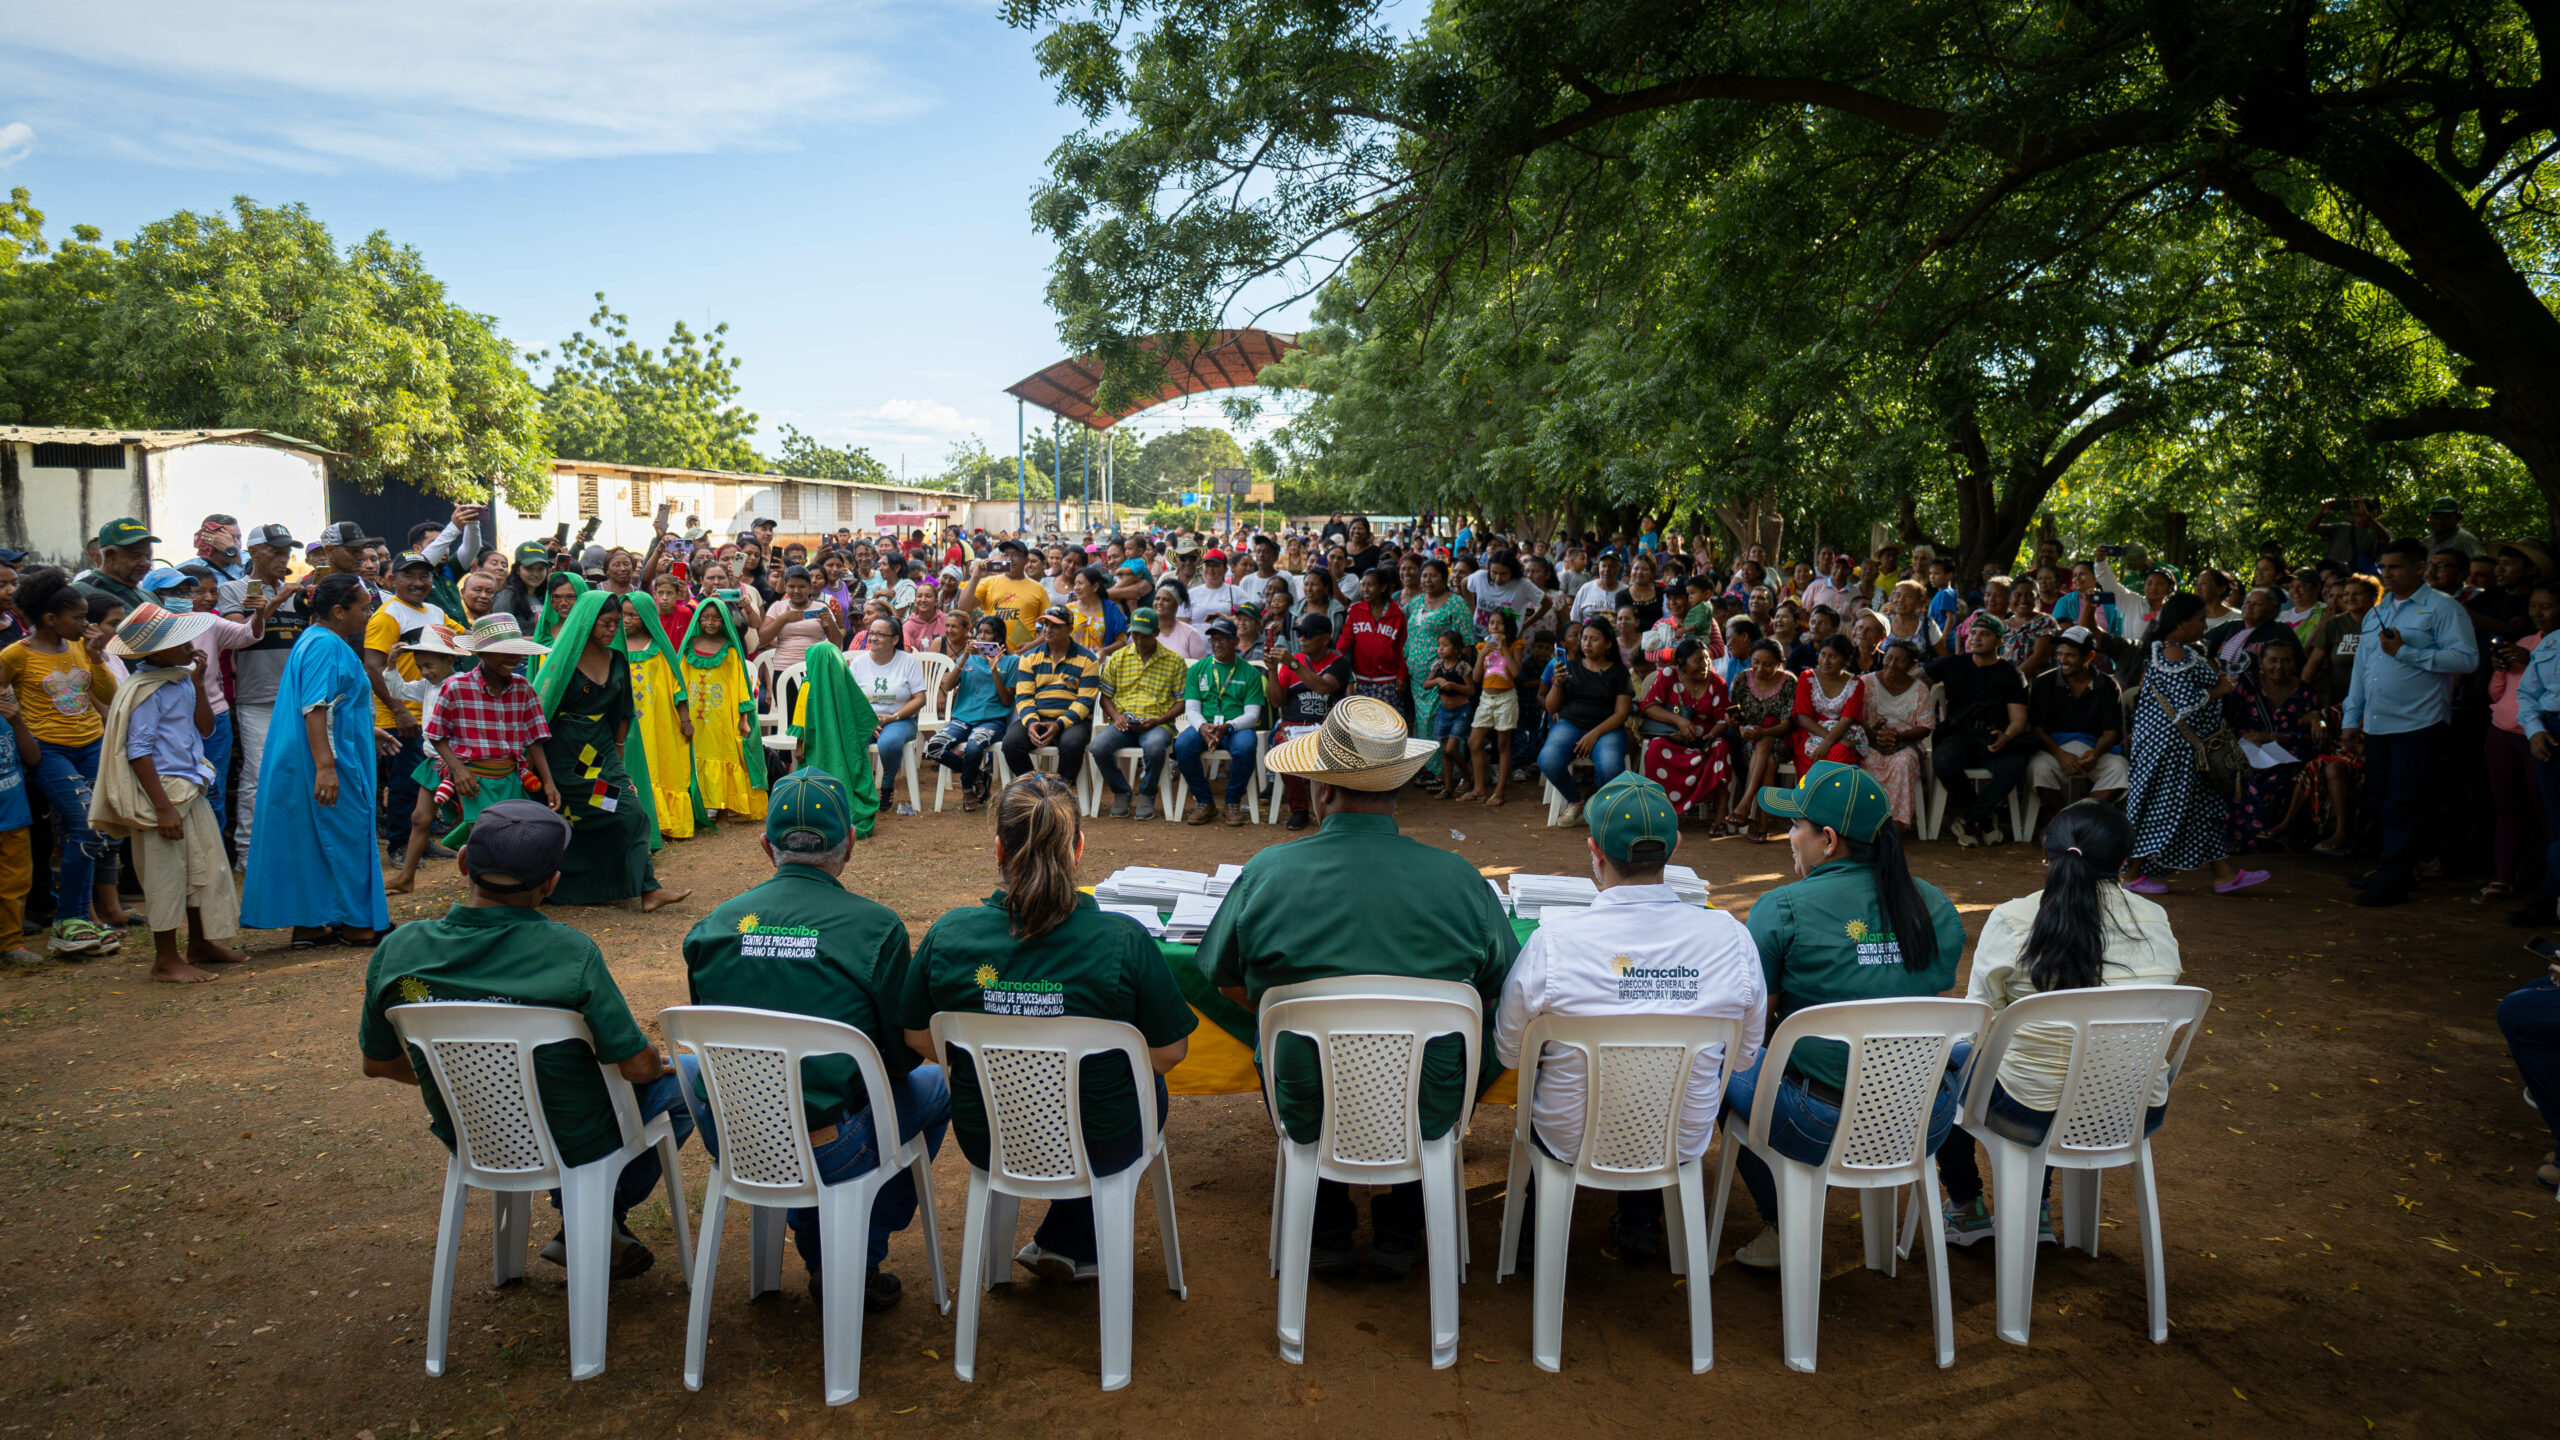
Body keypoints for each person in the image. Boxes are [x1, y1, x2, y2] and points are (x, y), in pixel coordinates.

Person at [1203, 698, 1516, 1275]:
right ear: (1397, 788)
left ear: (1323, 790)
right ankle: (1402, 1226)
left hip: (1308, 1099)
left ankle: (1326, 1226)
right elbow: (1498, 990)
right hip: (1427, 1104)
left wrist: (1293, 1011)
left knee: (1291, 1051)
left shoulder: (1268, 872)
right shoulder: (1460, 879)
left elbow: (1225, 982)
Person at [360, 800, 694, 1279]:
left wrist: (468, 1080)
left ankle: (591, 1223)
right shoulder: (568, 952)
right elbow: (638, 1067)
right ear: (551, 884)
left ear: (462, 863)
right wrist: (653, 1059)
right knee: (687, 1081)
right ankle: (593, 1216)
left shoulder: (399, 949)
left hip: (474, 1134)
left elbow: (378, 1063)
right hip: (573, 1139)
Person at [899, 772, 1195, 1281]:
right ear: (1077, 849)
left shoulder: (948, 935)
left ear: (998, 849)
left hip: (989, 1136)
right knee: (1134, 1086)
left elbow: (917, 1037)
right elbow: (1169, 1053)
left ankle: (1068, 1238)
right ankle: (1074, 1238)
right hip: (1103, 1142)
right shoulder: (1123, 940)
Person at [679, 769, 949, 1310]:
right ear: (849, 843)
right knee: (936, 1088)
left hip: (738, 1136)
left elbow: (715, 1035)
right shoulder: (876, 928)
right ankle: (856, 1255)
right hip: (832, 1147)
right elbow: (899, 1062)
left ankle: (820, 1237)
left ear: (766, 846)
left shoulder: (711, 927)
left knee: (687, 1068)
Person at [1495, 770, 1767, 1257]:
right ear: (1675, 846)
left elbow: (1511, 1052)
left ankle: (1539, 1234)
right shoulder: (1731, 938)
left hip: (1569, 1136)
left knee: (1549, 1079)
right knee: (1658, 1088)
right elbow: (1743, 1058)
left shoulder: (1554, 941)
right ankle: (1642, 1223)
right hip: (1679, 1137)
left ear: (1595, 851)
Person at [1724, 761, 1963, 1270]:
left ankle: (1785, 1224)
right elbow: (1929, 1003)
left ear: (1828, 840)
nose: (1790, 838)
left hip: (1819, 1121)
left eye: (1796, 826)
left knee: (1721, 1066)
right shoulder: (1935, 904)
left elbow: (1753, 1029)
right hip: (1923, 1116)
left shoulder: (1781, 907)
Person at [1937, 802, 2183, 1245]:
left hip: (2029, 1114)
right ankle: (2036, 1210)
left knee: (1945, 1064)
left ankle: (1965, 1205)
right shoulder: (2155, 919)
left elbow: (1978, 1021)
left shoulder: (2013, 919)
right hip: (2131, 1110)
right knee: (2053, 1070)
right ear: (2124, 862)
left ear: (2046, 855)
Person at [90, 603, 247, 983]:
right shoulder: (146, 690)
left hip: (189, 786)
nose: (192, 646)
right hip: (161, 794)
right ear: (157, 653)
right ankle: (164, 959)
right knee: (166, 875)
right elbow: (138, 751)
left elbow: (205, 729)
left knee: (201, 869)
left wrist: (198, 683)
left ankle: (200, 944)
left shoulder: (180, 679)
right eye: (182, 642)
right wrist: (162, 808)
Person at [240, 573, 392, 948]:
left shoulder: (315, 639)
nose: (369, 614)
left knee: (309, 838)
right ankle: (358, 925)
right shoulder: (326, 645)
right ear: (338, 611)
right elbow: (315, 707)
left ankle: (309, 924)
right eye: (364, 608)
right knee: (347, 832)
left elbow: (333, 702)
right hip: (328, 759)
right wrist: (326, 767)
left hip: (315, 752)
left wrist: (366, 728)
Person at [2338, 537, 2477, 906]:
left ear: (2420, 568)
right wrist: (2351, 718)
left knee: (2405, 801)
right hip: (2377, 723)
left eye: (2396, 566)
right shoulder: (2377, 612)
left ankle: (2393, 879)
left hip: (2420, 722)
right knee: (2384, 800)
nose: (2388, 574)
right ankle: (2395, 868)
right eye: (2383, 567)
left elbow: (2466, 659)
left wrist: (2407, 653)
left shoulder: (2443, 609)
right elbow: (2362, 669)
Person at [530, 590, 690, 911]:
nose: (613, 629)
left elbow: (624, 709)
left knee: (630, 811)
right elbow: (539, 713)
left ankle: (647, 888)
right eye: (606, 623)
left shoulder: (617, 659)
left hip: (600, 753)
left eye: (616, 623)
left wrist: (618, 748)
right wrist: (542, 773)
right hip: (563, 757)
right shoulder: (564, 660)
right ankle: (568, 887)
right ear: (588, 622)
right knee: (575, 820)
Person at [0, 569, 124, 955]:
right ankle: (68, 919)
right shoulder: (15, 655)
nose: (86, 624)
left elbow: (109, 694)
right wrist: (17, 724)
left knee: (93, 828)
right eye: (79, 617)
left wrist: (96, 657)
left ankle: (79, 920)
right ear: (51, 619)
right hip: (49, 752)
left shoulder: (80, 649)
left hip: (91, 745)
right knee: (85, 824)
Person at [2121, 594, 2269, 896]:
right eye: (2200, 619)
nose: (2204, 625)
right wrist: (2219, 690)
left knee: (2201, 808)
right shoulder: (2173, 653)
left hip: (2180, 750)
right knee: (2160, 808)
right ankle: (2130, 873)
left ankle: (2225, 874)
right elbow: (2185, 703)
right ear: (2180, 623)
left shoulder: (2174, 651)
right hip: (2171, 752)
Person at [1925, 616, 2032, 846]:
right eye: (1973, 633)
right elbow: (1915, 679)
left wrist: (2007, 737)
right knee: (1943, 761)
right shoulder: (1953, 663)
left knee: (2014, 766)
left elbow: (2018, 719)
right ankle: (1983, 820)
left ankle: (1966, 819)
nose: (1976, 638)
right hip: (1958, 735)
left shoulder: (2010, 674)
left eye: (1985, 634)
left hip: (1994, 737)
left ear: (1999, 642)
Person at [2485, 584, 2558, 907]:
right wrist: (2500, 668)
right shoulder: (2527, 642)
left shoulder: (2543, 648)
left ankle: (2545, 884)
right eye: (2533, 606)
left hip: (2540, 732)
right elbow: (2501, 693)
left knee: (2548, 810)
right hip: (2507, 730)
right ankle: (2504, 877)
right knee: (2507, 806)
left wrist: (2531, 661)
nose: (2538, 613)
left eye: (2547, 607)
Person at [1535, 616, 1635, 826]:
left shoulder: (1619, 673)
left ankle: (1599, 804)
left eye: (1594, 639)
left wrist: (1593, 734)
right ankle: (1575, 801)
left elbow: (1621, 714)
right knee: (1548, 760)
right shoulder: (1568, 667)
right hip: (1571, 724)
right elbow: (1552, 708)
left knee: (1610, 767)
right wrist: (1557, 684)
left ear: (1608, 643)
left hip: (1607, 729)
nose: (1587, 644)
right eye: (1584, 638)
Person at [2225, 632, 2319, 853]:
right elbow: (2227, 721)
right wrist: (2245, 737)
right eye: (2273, 660)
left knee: (2273, 778)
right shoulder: (2246, 685)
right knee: (2236, 774)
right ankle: (2234, 839)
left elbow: (2311, 732)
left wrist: (2275, 737)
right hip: (2248, 748)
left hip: (2289, 752)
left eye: (2286, 661)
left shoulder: (2304, 691)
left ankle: (2260, 839)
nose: (2279, 666)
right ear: (2261, 663)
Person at [678, 594, 768, 824]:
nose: (710, 622)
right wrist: (683, 717)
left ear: (724, 621)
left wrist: (744, 718)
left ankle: (722, 812)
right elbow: (680, 685)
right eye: (705, 617)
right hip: (694, 719)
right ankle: (698, 809)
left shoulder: (730, 652)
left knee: (724, 756)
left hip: (723, 719)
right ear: (698, 620)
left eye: (716, 618)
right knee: (696, 757)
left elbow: (740, 687)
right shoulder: (688, 650)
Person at [1090, 607, 1187, 819]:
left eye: (1145, 635)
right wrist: (1116, 717)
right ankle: (1121, 791)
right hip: (1124, 723)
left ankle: (1147, 793)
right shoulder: (1119, 658)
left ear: (1156, 633)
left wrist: (1159, 720)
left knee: (1155, 746)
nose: (1139, 640)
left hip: (1157, 723)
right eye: (1135, 634)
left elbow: (1182, 702)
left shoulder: (1174, 661)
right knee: (1098, 747)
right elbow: (1105, 696)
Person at [2024, 626, 2127, 821]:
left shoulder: (2107, 686)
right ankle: (2063, 820)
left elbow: (2111, 733)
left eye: (2070, 655)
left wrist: (2095, 754)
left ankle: (2076, 819)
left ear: (2089, 656)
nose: (2062, 660)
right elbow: (2038, 729)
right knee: (2038, 768)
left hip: (2094, 751)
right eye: (2060, 654)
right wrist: (2059, 754)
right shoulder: (2043, 683)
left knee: (2120, 769)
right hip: (2053, 751)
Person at [617, 593, 698, 840]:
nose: (626, 620)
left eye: (633, 615)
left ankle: (663, 822)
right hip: (624, 723)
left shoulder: (659, 649)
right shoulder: (613, 647)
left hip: (657, 721)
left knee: (657, 763)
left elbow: (677, 687)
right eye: (623, 614)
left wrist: (685, 719)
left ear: (647, 617)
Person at [1000, 606, 1102, 795]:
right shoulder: (1029, 657)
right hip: (1037, 717)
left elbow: (1085, 701)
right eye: (1046, 624)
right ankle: (1037, 787)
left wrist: (1060, 724)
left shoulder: (1087, 659)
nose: (1048, 630)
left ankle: (1059, 793)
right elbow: (1023, 697)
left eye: (1055, 626)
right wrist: (1031, 722)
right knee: (1011, 744)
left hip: (1072, 721)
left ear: (1069, 628)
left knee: (1072, 745)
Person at [1270, 612, 1354, 827]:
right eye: (1299, 634)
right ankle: (1299, 809)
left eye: (1307, 635)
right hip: (1293, 725)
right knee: (1282, 747)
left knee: (1334, 746)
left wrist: (1293, 664)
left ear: (1325, 638)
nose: (1301, 639)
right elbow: (1277, 701)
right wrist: (1271, 671)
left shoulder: (1339, 662)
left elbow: (1323, 687)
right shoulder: (1293, 661)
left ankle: (1330, 807)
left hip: (1327, 726)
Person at [1635, 636, 1734, 817]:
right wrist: (1678, 720)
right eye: (1698, 660)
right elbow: (1649, 706)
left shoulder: (1717, 683)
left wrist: (1711, 735)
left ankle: (1721, 815)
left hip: (1705, 743)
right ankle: (1658, 810)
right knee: (1655, 747)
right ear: (1681, 662)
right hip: (1673, 740)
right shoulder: (1669, 675)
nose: (1705, 664)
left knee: (1721, 747)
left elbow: (1723, 719)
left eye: (1707, 658)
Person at [930, 616, 1016, 812]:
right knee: (934, 747)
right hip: (963, 717)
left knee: (974, 748)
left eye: (988, 633)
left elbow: (1006, 701)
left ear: (999, 637)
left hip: (992, 719)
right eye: (980, 632)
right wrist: (963, 659)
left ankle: (967, 787)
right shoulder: (968, 657)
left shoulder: (1011, 661)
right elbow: (948, 686)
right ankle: (977, 775)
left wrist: (994, 671)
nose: (982, 637)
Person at [848, 618, 929, 818]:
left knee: (889, 742)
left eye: (880, 634)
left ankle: (887, 785)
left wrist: (893, 718)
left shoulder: (907, 661)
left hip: (901, 719)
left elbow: (920, 699)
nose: (873, 638)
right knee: (851, 741)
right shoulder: (859, 663)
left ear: (894, 639)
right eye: (871, 633)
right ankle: (860, 789)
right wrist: (867, 720)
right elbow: (850, 698)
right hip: (866, 719)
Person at [1858, 638, 1934, 832]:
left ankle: (1894, 826)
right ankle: (1863, 823)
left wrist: (1898, 736)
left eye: (1899, 660)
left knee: (1902, 763)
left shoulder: (1920, 689)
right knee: (1865, 760)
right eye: (1888, 658)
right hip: (1868, 741)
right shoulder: (1866, 683)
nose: (1891, 664)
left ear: (1912, 664)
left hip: (1905, 744)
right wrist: (1873, 735)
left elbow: (1925, 726)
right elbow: (1853, 716)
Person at [1727, 639, 1797, 839]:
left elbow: (1787, 724)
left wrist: (1763, 732)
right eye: (1756, 662)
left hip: (1781, 740)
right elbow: (1734, 711)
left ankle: (1746, 803)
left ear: (1780, 663)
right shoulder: (1742, 678)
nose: (1759, 669)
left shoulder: (1789, 682)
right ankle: (1761, 822)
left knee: (1766, 741)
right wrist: (1737, 724)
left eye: (1767, 664)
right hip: (1748, 740)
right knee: (1767, 759)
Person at [1459, 609, 1524, 809]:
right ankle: (1478, 789)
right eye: (1491, 623)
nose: (1495, 627)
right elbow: (1476, 678)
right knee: (1474, 742)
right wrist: (1482, 655)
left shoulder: (1515, 645)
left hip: (1506, 698)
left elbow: (1515, 672)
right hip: (1486, 699)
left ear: (1508, 627)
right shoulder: (1482, 646)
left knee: (1503, 744)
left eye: (1500, 623)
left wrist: (1504, 648)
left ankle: (1499, 791)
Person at [1790, 633, 1867, 776]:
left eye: (1832, 656)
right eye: (1823, 655)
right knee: (1819, 756)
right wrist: (1828, 742)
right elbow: (1802, 718)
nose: (1825, 661)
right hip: (1811, 733)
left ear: (1847, 660)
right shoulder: (1807, 677)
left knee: (1841, 751)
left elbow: (1846, 720)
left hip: (1842, 733)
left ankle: (1838, 791)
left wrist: (1829, 743)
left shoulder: (1856, 684)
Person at [972, 540, 1049, 650]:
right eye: (1006, 554)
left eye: (1015, 555)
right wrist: (976, 576)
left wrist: (1032, 645)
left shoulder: (1038, 589)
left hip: (1022, 654)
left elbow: (1049, 627)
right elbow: (964, 605)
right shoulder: (989, 582)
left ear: (1026, 560)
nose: (1009, 559)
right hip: (991, 652)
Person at [73, 517, 157, 610]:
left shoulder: (149, 596)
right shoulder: (80, 593)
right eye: (135, 556)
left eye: (148, 556)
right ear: (109, 555)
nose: (145, 563)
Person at [2423, 497, 2482, 562]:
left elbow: (2475, 566)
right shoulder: (2427, 542)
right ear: (2430, 518)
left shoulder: (2466, 541)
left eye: (2447, 517)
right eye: (2436, 517)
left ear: (2459, 517)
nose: (2440, 521)